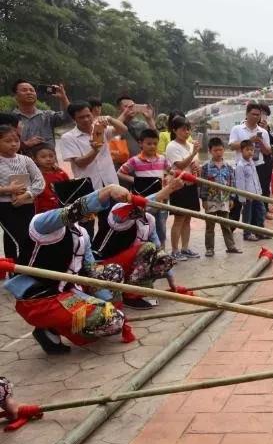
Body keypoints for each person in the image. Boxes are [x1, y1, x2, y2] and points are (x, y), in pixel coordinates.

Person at [3, 183, 135, 354]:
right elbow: (72, 211)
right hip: (41, 299)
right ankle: (50, 328)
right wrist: (108, 190)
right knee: (112, 321)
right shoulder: (43, 223)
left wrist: (107, 302)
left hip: (68, 291)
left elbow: (90, 269)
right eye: (89, 209)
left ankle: (70, 322)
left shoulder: (81, 233)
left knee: (111, 278)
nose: (92, 215)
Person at [92, 178, 185, 310]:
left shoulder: (150, 220)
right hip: (104, 266)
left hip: (127, 267)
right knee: (147, 248)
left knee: (162, 257)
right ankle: (130, 295)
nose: (158, 204)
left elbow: (159, 250)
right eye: (157, 201)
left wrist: (172, 283)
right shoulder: (120, 213)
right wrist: (168, 189)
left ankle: (138, 289)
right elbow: (138, 206)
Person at [58, 101, 128, 191]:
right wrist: (95, 151)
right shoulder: (68, 137)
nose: (86, 119)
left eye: (88, 115)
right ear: (74, 119)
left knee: (117, 205)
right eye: (81, 117)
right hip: (89, 186)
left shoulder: (101, 129)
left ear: (92, 114)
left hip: (110, 182)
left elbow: (123, 129)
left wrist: (110, 119)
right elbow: (79, 163)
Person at [118, 129, 169, 247]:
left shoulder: (162, 159)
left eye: (155, 143)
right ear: (140, 143)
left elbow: (171, 171)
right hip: (142, 202)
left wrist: (168, 179)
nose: (152, 146)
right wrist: (135, 180)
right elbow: (120, 172)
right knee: (143, 228)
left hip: (160, 201)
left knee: (161, 228)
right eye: (149, 143)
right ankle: (144, 252)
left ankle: (161, 254)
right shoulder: (135, 160)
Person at [0, 124, 44, 260]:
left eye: (16, 141)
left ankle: (23, 267)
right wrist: (8, 189)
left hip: (27, 204)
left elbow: (40, 181)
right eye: (8, 141)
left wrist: (27, 194)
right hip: (5, 207)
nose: (13, 144)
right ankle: (15, 268)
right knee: (14, 237)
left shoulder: (25, 160)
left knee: (28, 236)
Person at [164, 115, 202, 260]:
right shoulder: (172, 146)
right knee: (179, 218)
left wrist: (198, 167)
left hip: (191, 185)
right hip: (179, 186)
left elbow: (195, 164)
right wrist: (193, 154)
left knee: (188, 218)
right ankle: (174, 250)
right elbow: (179, 165)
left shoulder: (191, 145)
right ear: (174, 130)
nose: (186, 132)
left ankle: (185, 248)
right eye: (183, 129)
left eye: (188, 129)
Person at [199, 137, 241, 256]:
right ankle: (209, 248)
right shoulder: (206, 167)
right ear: (210, 151)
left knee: (226, 225)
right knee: (210, 226)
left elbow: (232, 183)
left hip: (224, 200)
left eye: (220, 150)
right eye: (215, 150)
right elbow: (202, 184)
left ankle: (231, 246)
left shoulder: (228, 166)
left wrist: (232, 197)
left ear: (224, 150)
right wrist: (204, 199)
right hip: (211, 200)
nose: (218, 153)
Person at [10, 80, 71, 156]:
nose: (29, 92)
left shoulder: (48, 116)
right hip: (20, 165)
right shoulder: (9, 119)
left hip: (48, 165)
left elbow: (69, 117)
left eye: (32, 90)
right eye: (24, 90)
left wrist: (63, 98)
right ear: (15, 96)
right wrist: (25, 144)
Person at [228, 102, 272, 199]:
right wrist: (249, 141)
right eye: (253, 114)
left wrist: (260, 143)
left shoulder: (263, 132)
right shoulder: (237, 129)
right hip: (241, 166)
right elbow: (231, 146)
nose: (256, 117)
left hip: (259, 166)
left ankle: (259, 213)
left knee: (259, 195)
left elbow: (268, 151)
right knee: (240, 195)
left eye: (258, 115)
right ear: (247, 114)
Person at [235, 140, 266, 242]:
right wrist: (242, 197)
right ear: (241, 150)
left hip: (256, 193)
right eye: (247, 150)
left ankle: (260, 232)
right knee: (247, 215)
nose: (250, 152)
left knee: (261, 211)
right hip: (247, 195)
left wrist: (259, 191)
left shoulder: (252, 162)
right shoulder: (240, 166)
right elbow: (240, 183)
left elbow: (255, 178)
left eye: (252, 150)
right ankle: (247, 234)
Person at [32, 144, 69, 213]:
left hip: (63, 209)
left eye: (51, 156)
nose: (48, 159)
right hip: (43, 211)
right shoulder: (34, 176)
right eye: (43, 157)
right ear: (34, 159)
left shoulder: (60, 172)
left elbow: (69, 189)